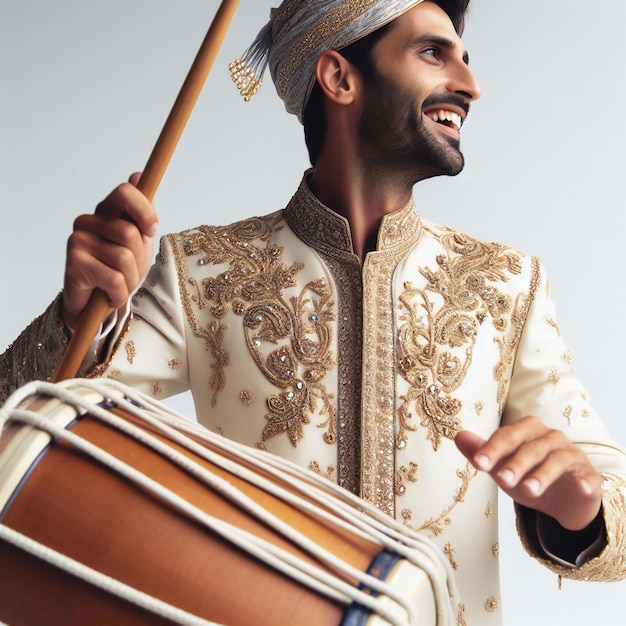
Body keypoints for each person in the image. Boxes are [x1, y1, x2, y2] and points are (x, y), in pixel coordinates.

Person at [2, 1, 625, 623]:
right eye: (434, 53)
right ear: (339, 78)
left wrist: (582, 509)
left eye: (464, 58)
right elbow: (19, 439)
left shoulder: (505, 284)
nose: (470, 85)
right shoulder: (202, 273)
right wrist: (79, 310)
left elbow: (613, 510)